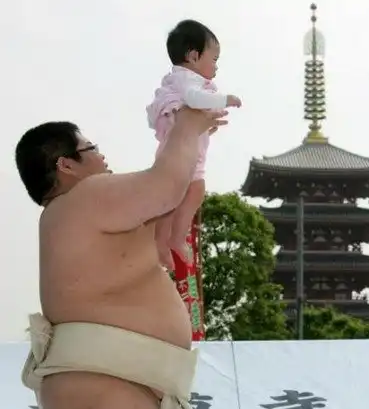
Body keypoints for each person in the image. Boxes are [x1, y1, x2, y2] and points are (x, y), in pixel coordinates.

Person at [14, 107, 228, 409]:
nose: (102, 156)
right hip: (105, 382)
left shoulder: (70, 216)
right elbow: (165, 187)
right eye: (91, 148)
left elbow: (171, 200)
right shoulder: (85, 196)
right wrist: (187, 125)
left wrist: (187, 140)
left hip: (110, 380)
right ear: (66, 165)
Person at [146, 19, 242, 269]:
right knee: (180, 195)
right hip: (180, 156)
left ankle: (170, 239)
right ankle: (170, 239)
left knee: (185, 194)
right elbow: (193, 99)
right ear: (193, 56)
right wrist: (225, 99)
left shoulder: (185, 80)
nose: (216, 66)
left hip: (189, 153)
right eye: (214, 59)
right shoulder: (186, 79)